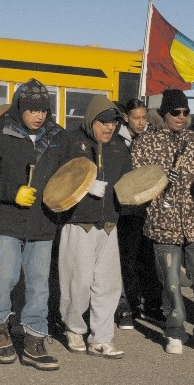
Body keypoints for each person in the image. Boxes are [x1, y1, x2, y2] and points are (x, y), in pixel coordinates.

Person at [0, 78, 64, 370]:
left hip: (43, 220)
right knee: (5, 277)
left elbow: (69, 174)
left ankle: (34, 339)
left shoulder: (58, 135)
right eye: (33, 109)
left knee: (39, 284)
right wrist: (12, 193)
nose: (39, 115)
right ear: (19, 106)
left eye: (44, 110)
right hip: (6, 218)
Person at [131, 89, 194, 354]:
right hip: (163, 225)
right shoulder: (146, 143)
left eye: (185, 112)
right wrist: (162, 180)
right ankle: (174, 331)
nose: (181, 117)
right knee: (171, 281)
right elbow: (138, 182)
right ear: (165, 114)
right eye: (176, 112)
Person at [58, 96, 131, 359]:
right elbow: (57, 178)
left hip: (109, 224)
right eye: (103, 122)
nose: (109, 128)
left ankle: (101, 337)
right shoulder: (70, 141)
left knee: (108, 285)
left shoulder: (120, 147)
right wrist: (83, 185)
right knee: (78, 282)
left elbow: (127, 181)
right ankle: (74, 328)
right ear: (91, 120)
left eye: (113, 123)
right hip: (79, 222)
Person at [114, 98, 163, 328]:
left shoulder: (153, 139)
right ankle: (128, 305)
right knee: (127, 259)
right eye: (136, 118)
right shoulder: (117, 140)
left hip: (150, 207)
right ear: (126, 118)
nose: (141, 122)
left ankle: (152, 305)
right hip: (126, 210)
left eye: (144, 117)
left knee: (149, 259)